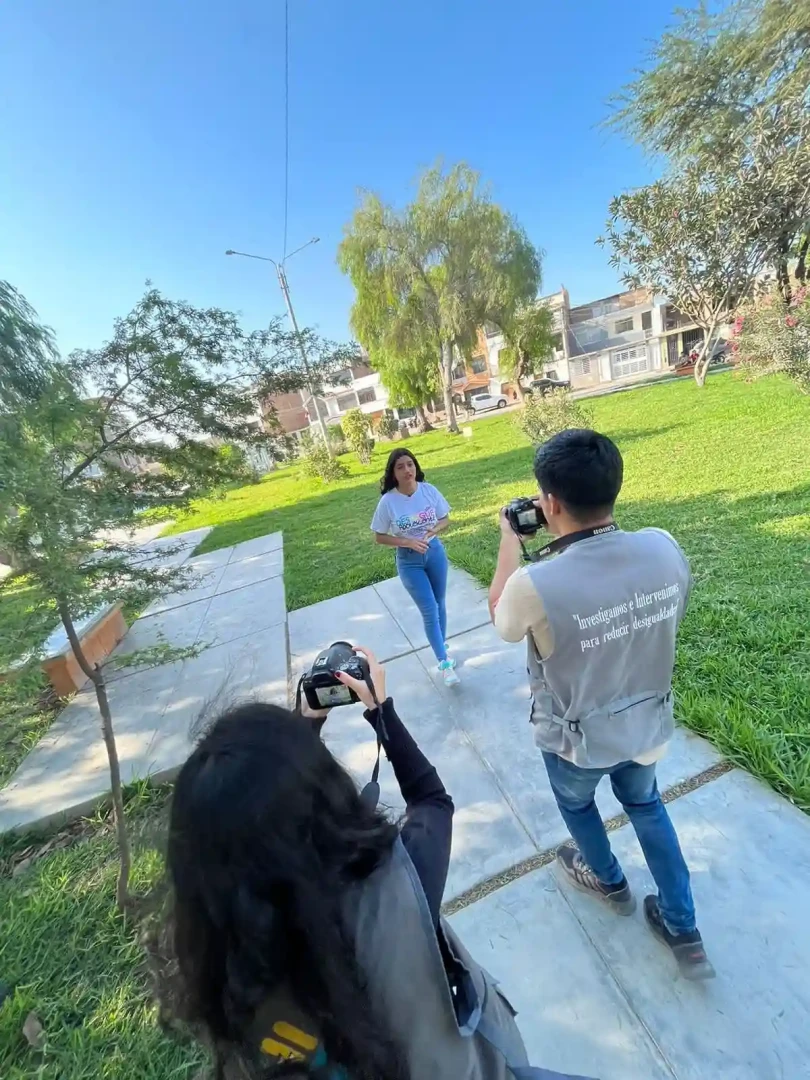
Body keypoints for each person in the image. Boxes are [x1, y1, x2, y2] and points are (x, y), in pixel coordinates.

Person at [167, 646, 591, 1080]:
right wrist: (381, 712)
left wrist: (302, 729)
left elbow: (261, 825)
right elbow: (431, 800)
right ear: (322, 797)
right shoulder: (397, 886)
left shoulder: (223, 964)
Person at [488, 429, 715, 981]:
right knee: (646, 806)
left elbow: (501, 621)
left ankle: (608, 878)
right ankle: (682, 924)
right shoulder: (663, 546)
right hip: (647, 726)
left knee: (580, 808)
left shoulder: (532, 583)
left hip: (575, 742)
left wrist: (510, 540)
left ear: (551, 503)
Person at [371, 448, 459, 686]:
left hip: (435, 554)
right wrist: (407, 541)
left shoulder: (428, 491)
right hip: (409, 561)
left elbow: (445, 518)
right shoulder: (388, 501)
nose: (407, 470)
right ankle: (444, 663)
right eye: (400, 467)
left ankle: (441, 646)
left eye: (410, 464)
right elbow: (378, 536)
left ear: (415, 467)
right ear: (393, 473)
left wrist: (434, 530)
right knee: (429, 609)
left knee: (440, 603)